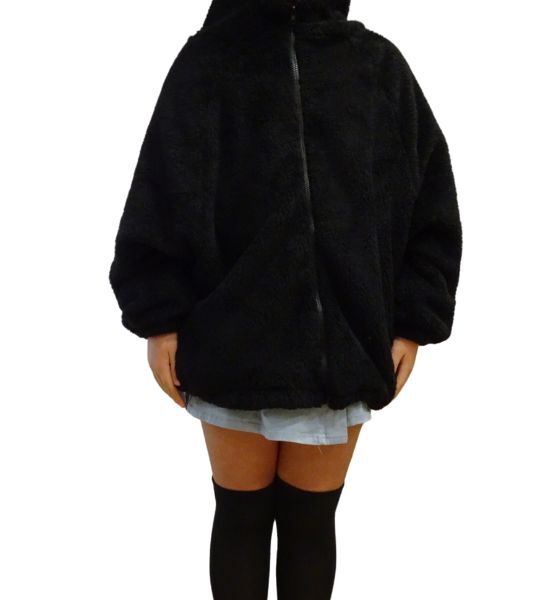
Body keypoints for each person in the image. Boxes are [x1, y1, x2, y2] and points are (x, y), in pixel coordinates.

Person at [108, 0, 463, 598]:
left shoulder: (377, 66)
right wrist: (159, 319)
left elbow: (431, 200)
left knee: (311, 522)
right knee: (241, 517)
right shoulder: (208, 62)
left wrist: (413, 321)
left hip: (344, 345)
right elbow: (159, 193)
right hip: (230, 339)